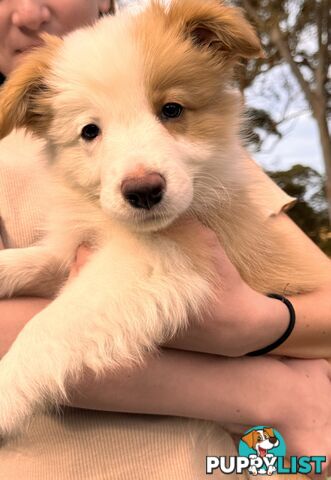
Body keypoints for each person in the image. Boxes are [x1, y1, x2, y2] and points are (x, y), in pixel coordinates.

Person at [0, 1, 331, 479]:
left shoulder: (225, 179)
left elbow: (143, 280)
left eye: (171, 109)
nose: (139, 173)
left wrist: (16, 379)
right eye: (91, 130)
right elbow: (75, 266)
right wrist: (277, 393)